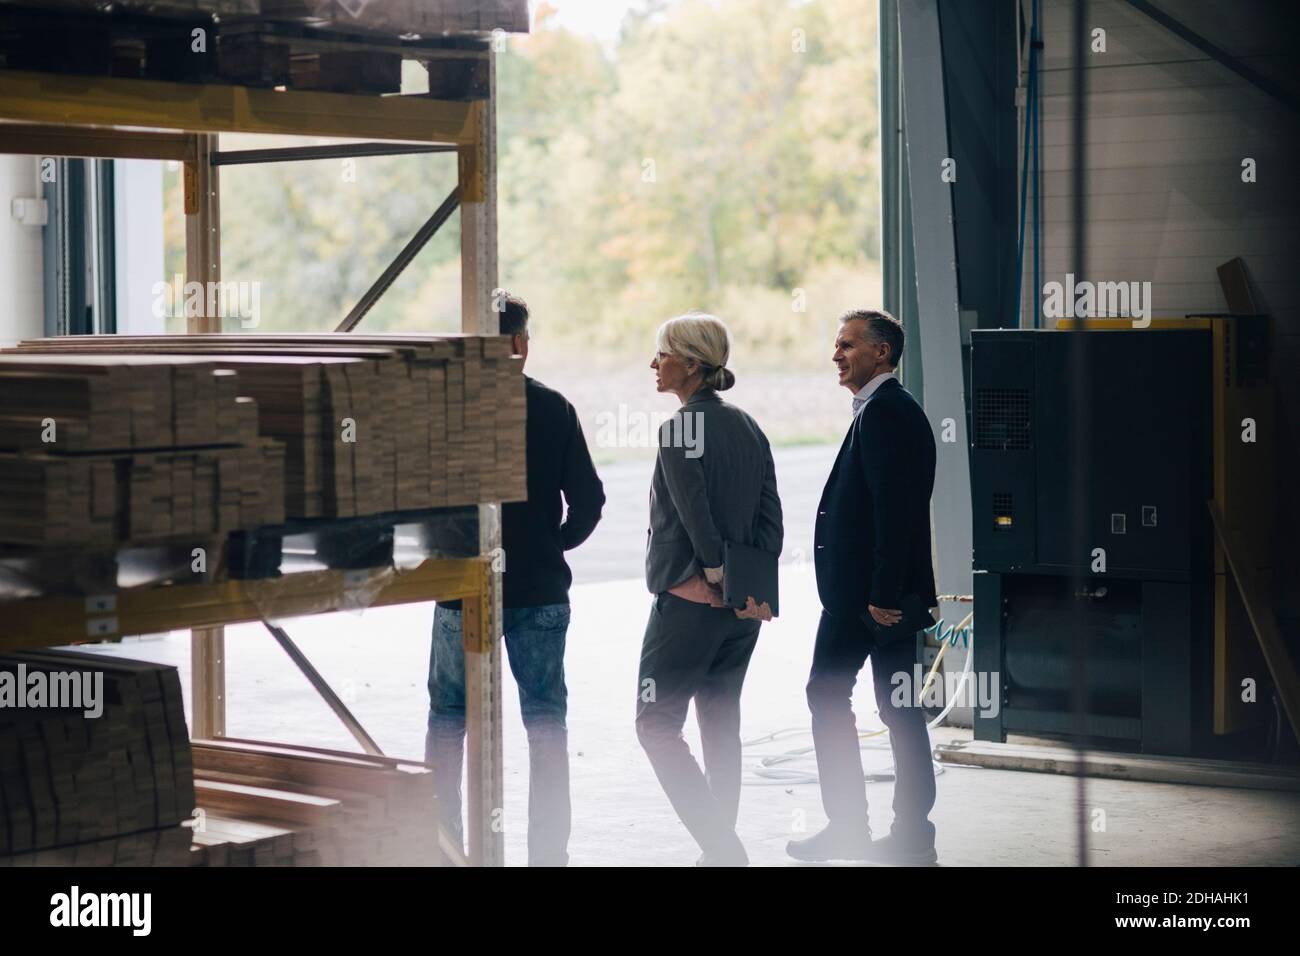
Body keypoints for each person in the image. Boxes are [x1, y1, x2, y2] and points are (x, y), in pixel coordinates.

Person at [425, 293, 605, 867]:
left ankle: (447, 847)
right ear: (521, 344)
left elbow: (420, 501)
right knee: (546, 723)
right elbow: (589, 501)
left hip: (460, 589)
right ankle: (548, 858)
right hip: (540, 591)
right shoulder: (555, 409)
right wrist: (551, 545)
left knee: (448, 720)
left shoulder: (449, 412)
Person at [786, 308, 939, 865]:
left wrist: (880, 595)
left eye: (847, 344)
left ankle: (858, 827)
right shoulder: (883, 410)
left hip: (867, 601)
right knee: (898, 709)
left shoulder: (885, 414)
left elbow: (894, 513)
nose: (836, 354)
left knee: (829, 695)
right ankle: (909, 834)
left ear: (881, 353)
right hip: (880, 596)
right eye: (836, 343)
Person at [636, 311, 783, 867]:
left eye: (663, 354)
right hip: (745, 607)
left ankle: (724, 850)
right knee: (721, 723)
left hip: (689, 604)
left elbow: (695, 516)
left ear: (692, 364)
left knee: (655, 723)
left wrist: (715, 576)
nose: (654, 364)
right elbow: (771, 515)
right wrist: (752, 591)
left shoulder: (679, 428)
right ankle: (720, 853)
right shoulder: (749, 426)